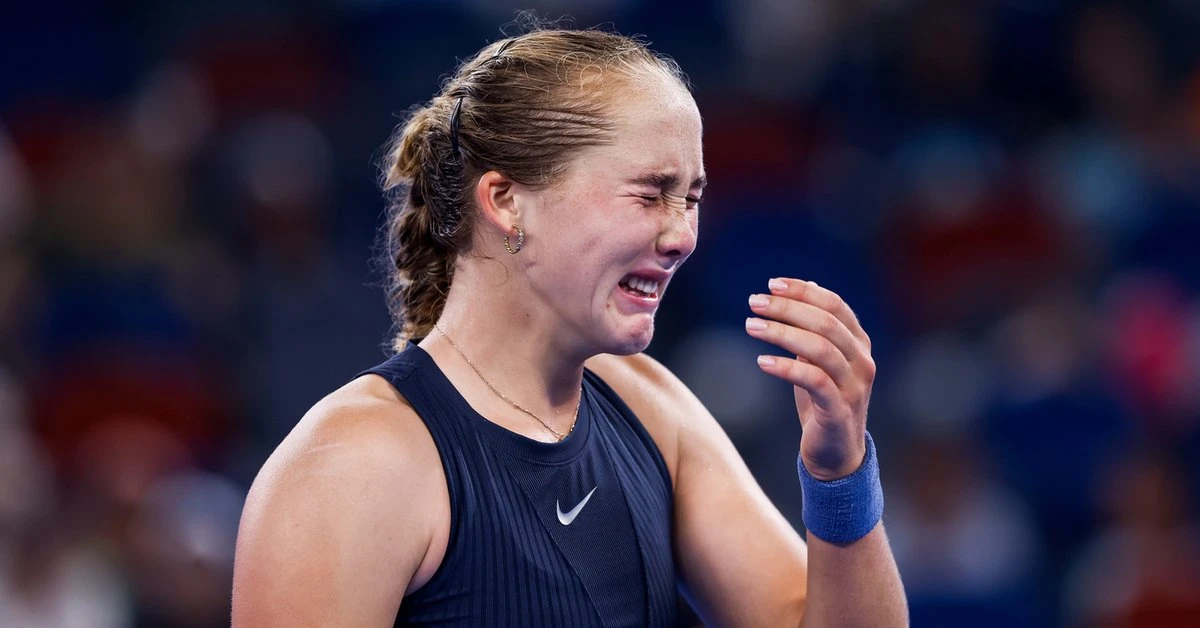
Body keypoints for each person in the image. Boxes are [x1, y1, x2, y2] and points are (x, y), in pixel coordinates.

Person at [231, 26, 907, 627]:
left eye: (692, 199)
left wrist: (838, 473)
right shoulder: (354, 464)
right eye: (649, 194)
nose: (682, 237)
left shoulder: (648, 405)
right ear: (505, 201)